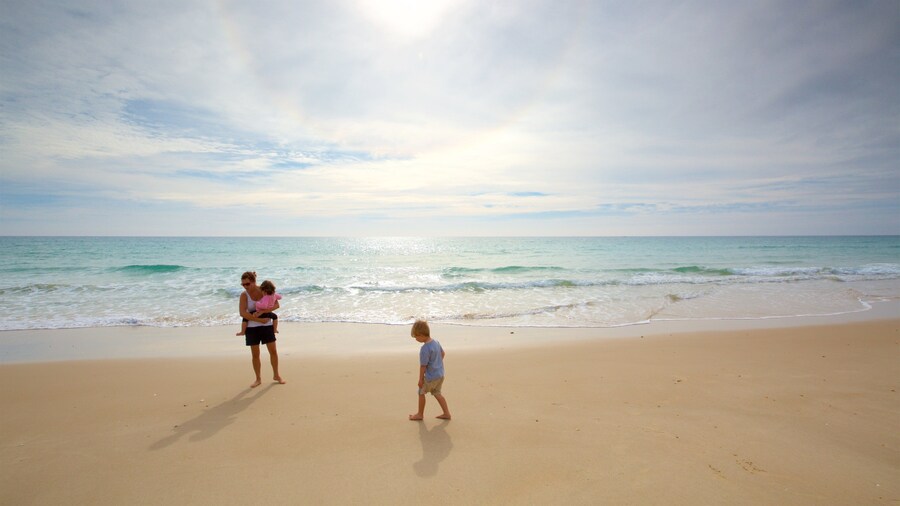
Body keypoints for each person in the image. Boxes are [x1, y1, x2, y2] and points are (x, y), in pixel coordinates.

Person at [238, 271, 285, 388]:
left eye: (247, 284)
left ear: (254, 282)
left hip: (267, 326)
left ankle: (276, 375)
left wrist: (264, 312)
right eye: (243, 284)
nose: (245, 287)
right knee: (255, 354)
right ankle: (258, 379)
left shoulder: (264, 290)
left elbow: (276, 305)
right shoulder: (244, 295)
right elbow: (242, 313)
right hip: (251, 328)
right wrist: (259, 320)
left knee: (273, 351)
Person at [409, 319, 451, 421]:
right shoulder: (436, 342)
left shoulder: (425, 349)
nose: (415, 339)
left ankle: (420, 414)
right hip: (440, 375)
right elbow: (443, 354)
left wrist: (420, 380)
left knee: (421, 393)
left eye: (416, 337)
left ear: (421, 334)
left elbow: (423, 366)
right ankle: (447, 413)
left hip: (430, 377)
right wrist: (437, 364)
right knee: (437, 393)